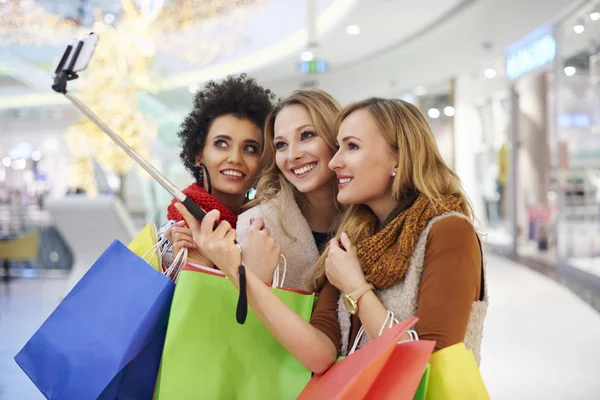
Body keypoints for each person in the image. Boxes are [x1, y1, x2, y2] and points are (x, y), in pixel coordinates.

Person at [174, 97, 487, 374]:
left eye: (351, 146)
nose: (336, 161)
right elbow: (322, 354)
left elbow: (428, 364)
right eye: (280, 144)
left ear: (398, 157)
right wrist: (239, 273)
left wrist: (357, 289)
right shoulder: (353, 238)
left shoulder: (449, 231)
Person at [160, 74, 276, 270]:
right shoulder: (178, 231)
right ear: (199, 154)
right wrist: (198, 266)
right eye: (221, 144)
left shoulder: (265, 227)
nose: (235, 158)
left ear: (263, 161)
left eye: (250, 148)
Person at [236, 89, 343, 291]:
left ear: (337, 138)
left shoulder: (373, 217)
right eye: (281, 145)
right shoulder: (255, 228)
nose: (292, 155)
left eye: (307, 135)